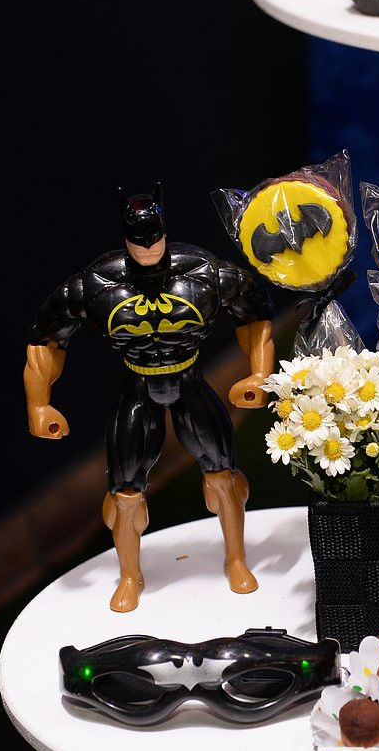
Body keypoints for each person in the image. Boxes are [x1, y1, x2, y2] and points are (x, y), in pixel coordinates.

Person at [24, 184, 274, 612]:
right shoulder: (99, 284)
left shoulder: (202, 273)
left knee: (223, 475)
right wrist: (39, 403)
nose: (147, 247)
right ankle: (129, 575)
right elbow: (46, 335)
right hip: (138, 385)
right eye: (138, 240)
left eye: (154, 237)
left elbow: (256, 312)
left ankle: (235, 558)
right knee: (124, 493)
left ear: (164, 231)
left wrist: (260, 375)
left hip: (189, 378)